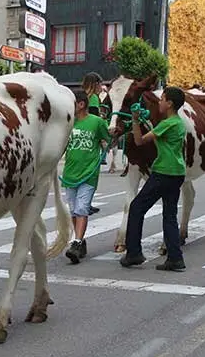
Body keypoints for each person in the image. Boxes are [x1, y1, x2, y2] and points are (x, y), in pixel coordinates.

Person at [119, 86, 188, 272]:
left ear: (170, 103)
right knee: (170, 215)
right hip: (177, 172)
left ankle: (134, 253)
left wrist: (135, 120)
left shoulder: (167, 123)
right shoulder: (178, 123)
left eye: (162, 99)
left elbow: (140, 141)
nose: (159, 102)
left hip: (163, 172)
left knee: (137, 207)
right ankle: (175, 258)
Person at [62, 90, 111, 264]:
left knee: (81, 209)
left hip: (88, 174)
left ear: (81, 104)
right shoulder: (68, 123)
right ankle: (80, 240)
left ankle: (76, 243)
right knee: (73, 210)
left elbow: (108, 140)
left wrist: (110, 139)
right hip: (70, 174)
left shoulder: (97, 122)